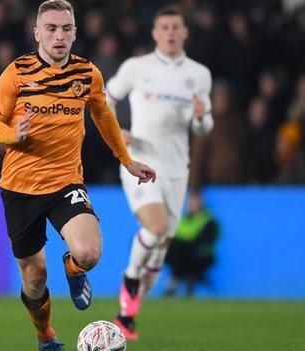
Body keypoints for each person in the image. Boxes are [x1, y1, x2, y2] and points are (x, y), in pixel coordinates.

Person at [0, 1, 156, 350]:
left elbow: (103, 115)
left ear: (75, 32)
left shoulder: (87, 74)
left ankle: (74, 269)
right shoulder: (16, 73)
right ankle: (46, 337)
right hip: (19, 189)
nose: (59, 35)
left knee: (89, 253)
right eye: (51, 28)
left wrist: (126, 159)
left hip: (65, 182)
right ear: (37, 33)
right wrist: (13, 134)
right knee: (34, 279)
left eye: (65, 28)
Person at [105, 7, 214, 340]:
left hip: (176, 170)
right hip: (139, 162)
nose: (170, 33)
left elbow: (205, 126)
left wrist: (200, 117)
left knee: (161, 246)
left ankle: (127, 315)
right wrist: (116, 131)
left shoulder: (199, 74)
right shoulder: (137, 68)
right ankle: (130, 276)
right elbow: (104, 98)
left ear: (184, 33)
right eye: (164, 27)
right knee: (156, 227)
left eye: (176, 28)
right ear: (155, 33)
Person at [164, 191, 219, 297]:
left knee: (184, 250)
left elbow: (205, 241)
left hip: (200, 256)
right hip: (179, 256)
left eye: (195, 202)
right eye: (190, 202)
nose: (192, 205)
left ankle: (174, 282)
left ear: (201, 203)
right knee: (175, 248)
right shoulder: (181, 220)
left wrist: (186, 243)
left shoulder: (208, 221)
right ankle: (179, 282)